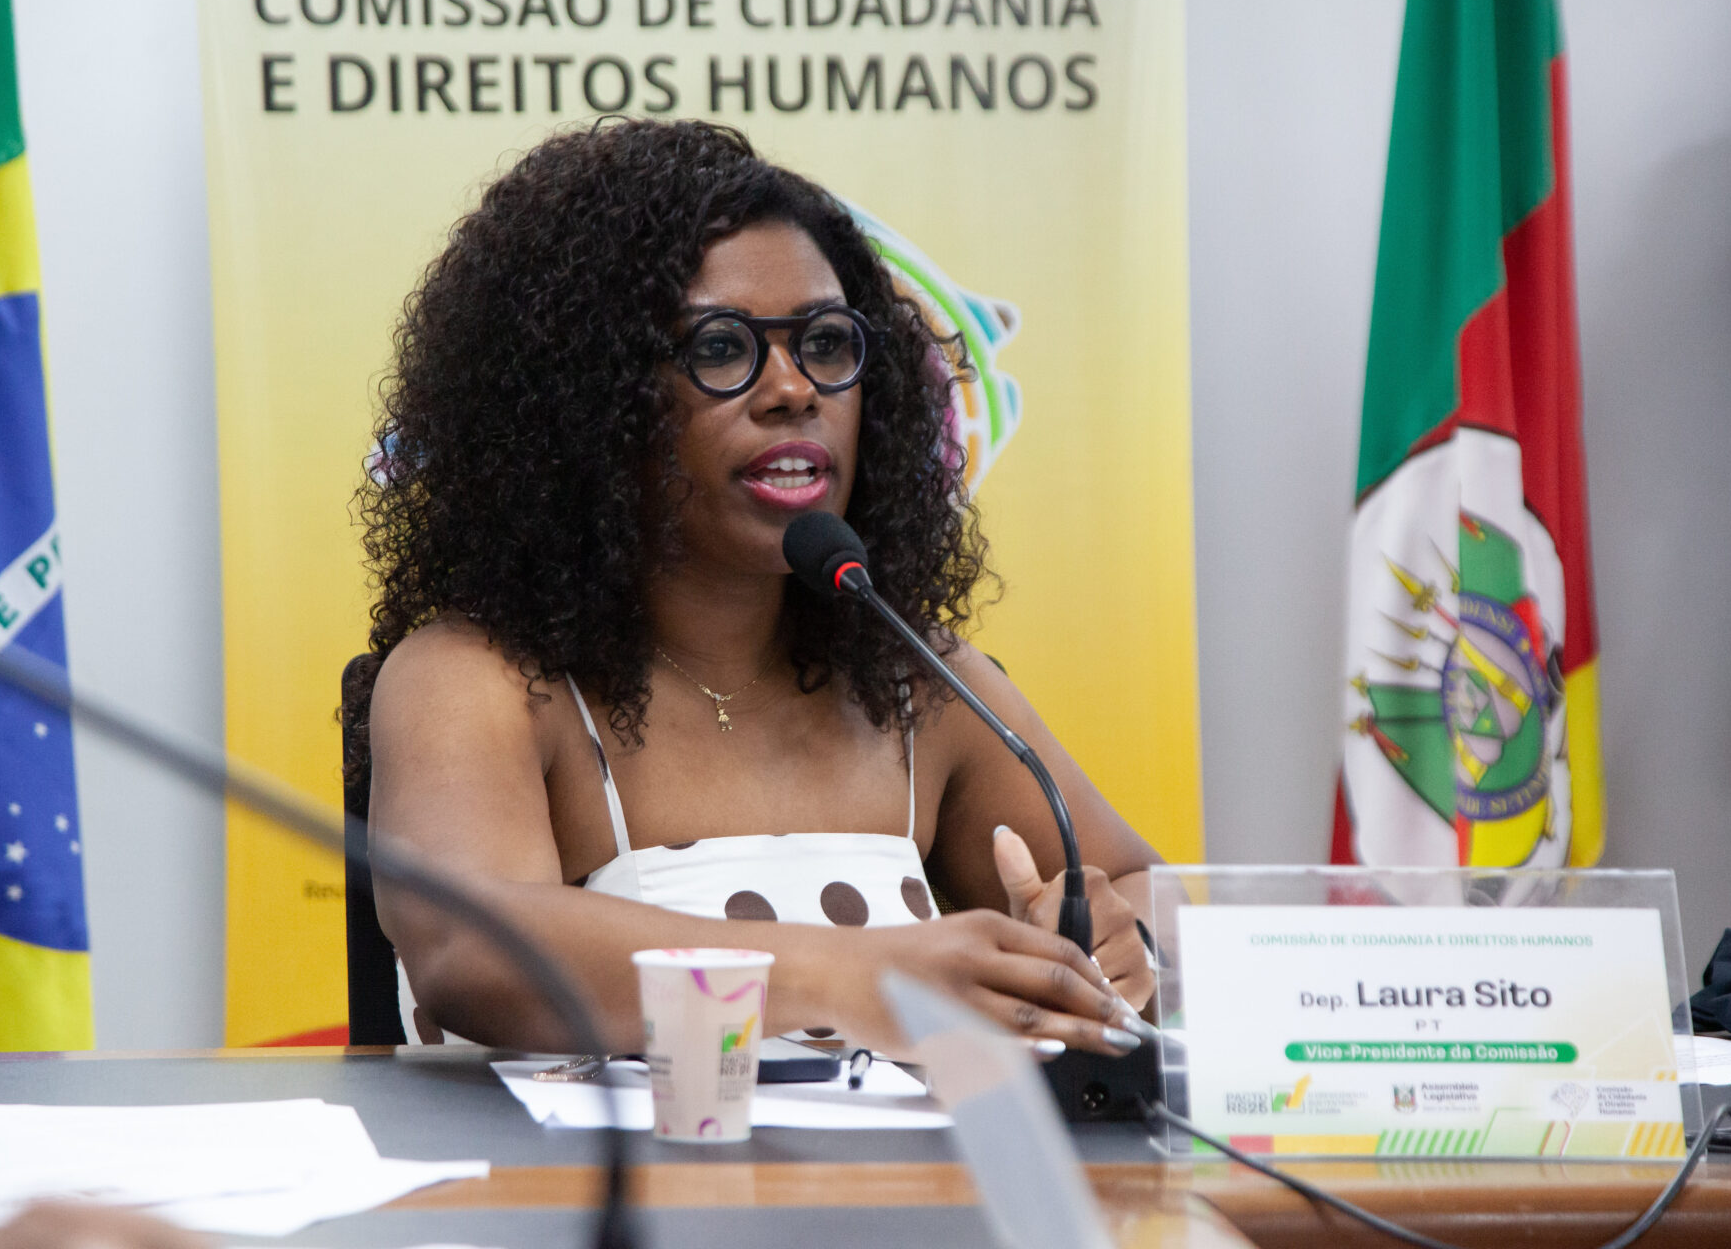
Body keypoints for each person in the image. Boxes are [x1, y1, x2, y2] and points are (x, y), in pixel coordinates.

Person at [354, 119, 1162, 1059]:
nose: (792, 389)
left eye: (825, 342)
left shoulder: (913, 679)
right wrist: (860, 976)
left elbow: (1142, 887)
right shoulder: (477, 678)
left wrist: (1120, 942)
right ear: (587, 402)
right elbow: (476, 950)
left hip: (892, 1161)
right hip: (570, 1163)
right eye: (720, 348)